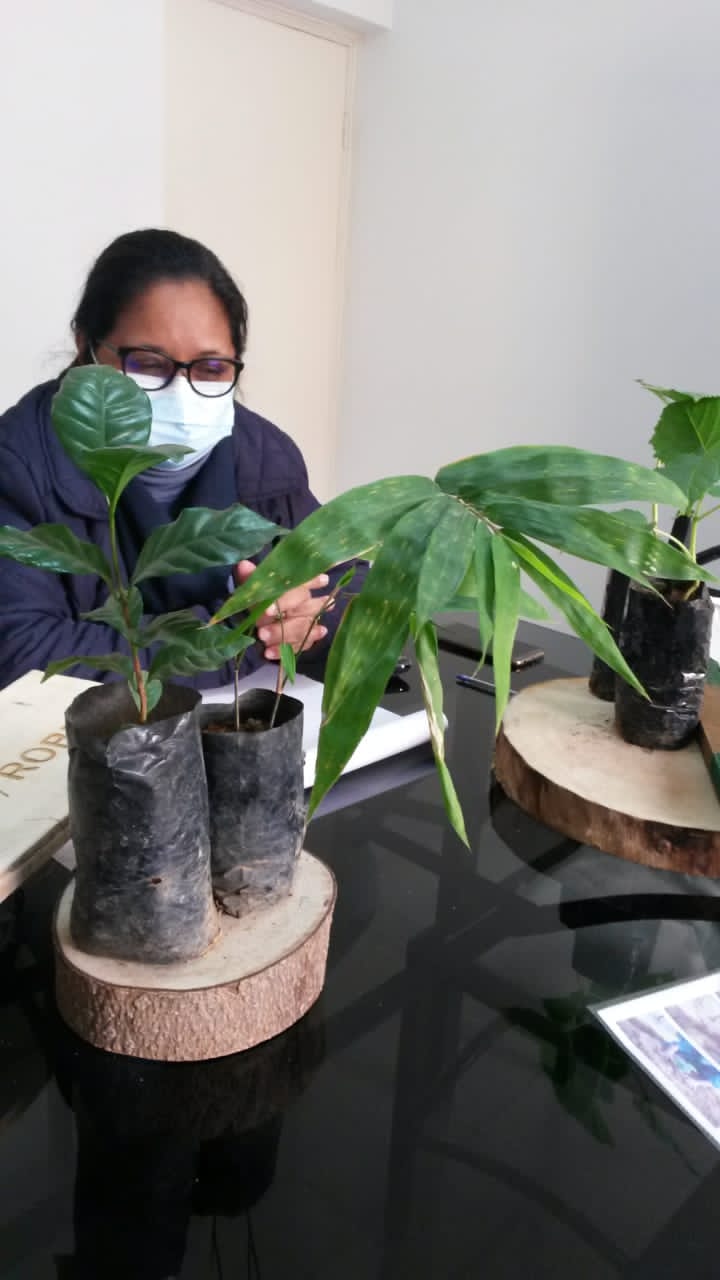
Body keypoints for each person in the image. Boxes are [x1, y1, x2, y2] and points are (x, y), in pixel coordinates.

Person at [0, 229, 361, 691]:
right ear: (85, 347)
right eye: (148, 363)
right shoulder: (21, 465)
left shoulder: (262, 456)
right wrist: (234, 632)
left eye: (211, 368)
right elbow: (23, 653)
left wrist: (301, 616)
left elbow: (349, 581)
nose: (181, 391)